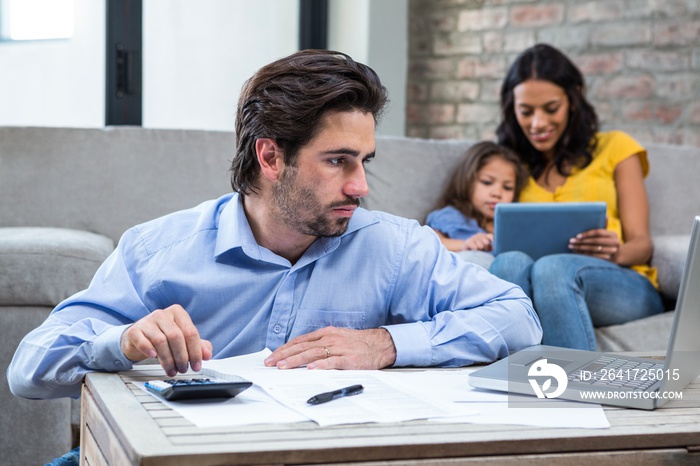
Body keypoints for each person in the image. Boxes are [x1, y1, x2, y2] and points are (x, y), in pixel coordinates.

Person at [8, 50, 542, 403]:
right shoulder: (158, 250)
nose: (360, 186)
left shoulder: (395, 247)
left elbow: (518, 317)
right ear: (270, 157)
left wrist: (386, 344)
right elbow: (28, 369)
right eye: (338, 161)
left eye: (365, 162)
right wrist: (121, 341)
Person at [489, 43, 664, 351]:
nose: (538, 123)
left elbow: (642, 244)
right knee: (508, 264)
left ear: (573, 99)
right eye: (526, 112)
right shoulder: (510, 166)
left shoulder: (616, 148)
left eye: (551, 108)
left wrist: (617, 252)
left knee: (553, 269)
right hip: (539, 282)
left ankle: (576, 392)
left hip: (621, 282)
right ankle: (502, 386)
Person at [425, 141, 527, 268]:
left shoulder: (513, 224)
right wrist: (464, 244)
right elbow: (431, 243)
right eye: (487, 182)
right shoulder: (451, 216)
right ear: (467, 181)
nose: (497, 193)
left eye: (507, 187)